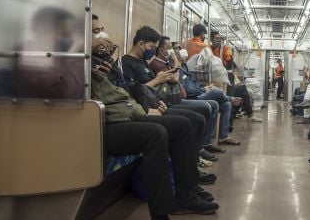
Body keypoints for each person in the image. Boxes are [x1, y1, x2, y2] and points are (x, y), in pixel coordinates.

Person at [91, 37, 218, 218]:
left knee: (182, 125)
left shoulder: (110, 65)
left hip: (128, 112)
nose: (101, 38)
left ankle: (186, 193)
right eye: (95, 32)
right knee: (156, 134)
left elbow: (127, 90)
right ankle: (161, 213)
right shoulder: (81, 63)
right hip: (104, 122)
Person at [120, 27, 214, 168]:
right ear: (141, 44)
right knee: (191, 119)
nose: (153, 50)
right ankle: (190, 163)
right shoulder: (126, 63)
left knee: (200, 116)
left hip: (158, 102)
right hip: (147, 107)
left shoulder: (143, 62)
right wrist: (158, 80)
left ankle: (194, 157)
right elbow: (134, 91)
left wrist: (159, 98)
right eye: (152, 46)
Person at [150, 36, 220, 163]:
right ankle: (198, 149)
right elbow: (176, 79)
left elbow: (187, 80)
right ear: (161, 50)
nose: (175, 50)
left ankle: (205, 143)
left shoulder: (172, 64)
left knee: (217, 103)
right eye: (171, 48)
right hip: (171, 101)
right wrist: (176, 60)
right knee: (208, 104)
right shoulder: (158, 64)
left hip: (180, 97)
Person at [177, 44, 241, 146]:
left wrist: (203, 89)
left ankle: (223, 137)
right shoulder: (176, 70)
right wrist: (203, 89)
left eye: (180, 48)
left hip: (197, 92)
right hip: (192, 97)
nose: (181, 51)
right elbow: (188, 90)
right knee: (216, 92)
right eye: (177, 48)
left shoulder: (185, 67)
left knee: (226, 105)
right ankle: (205, 143)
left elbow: (193, 83)